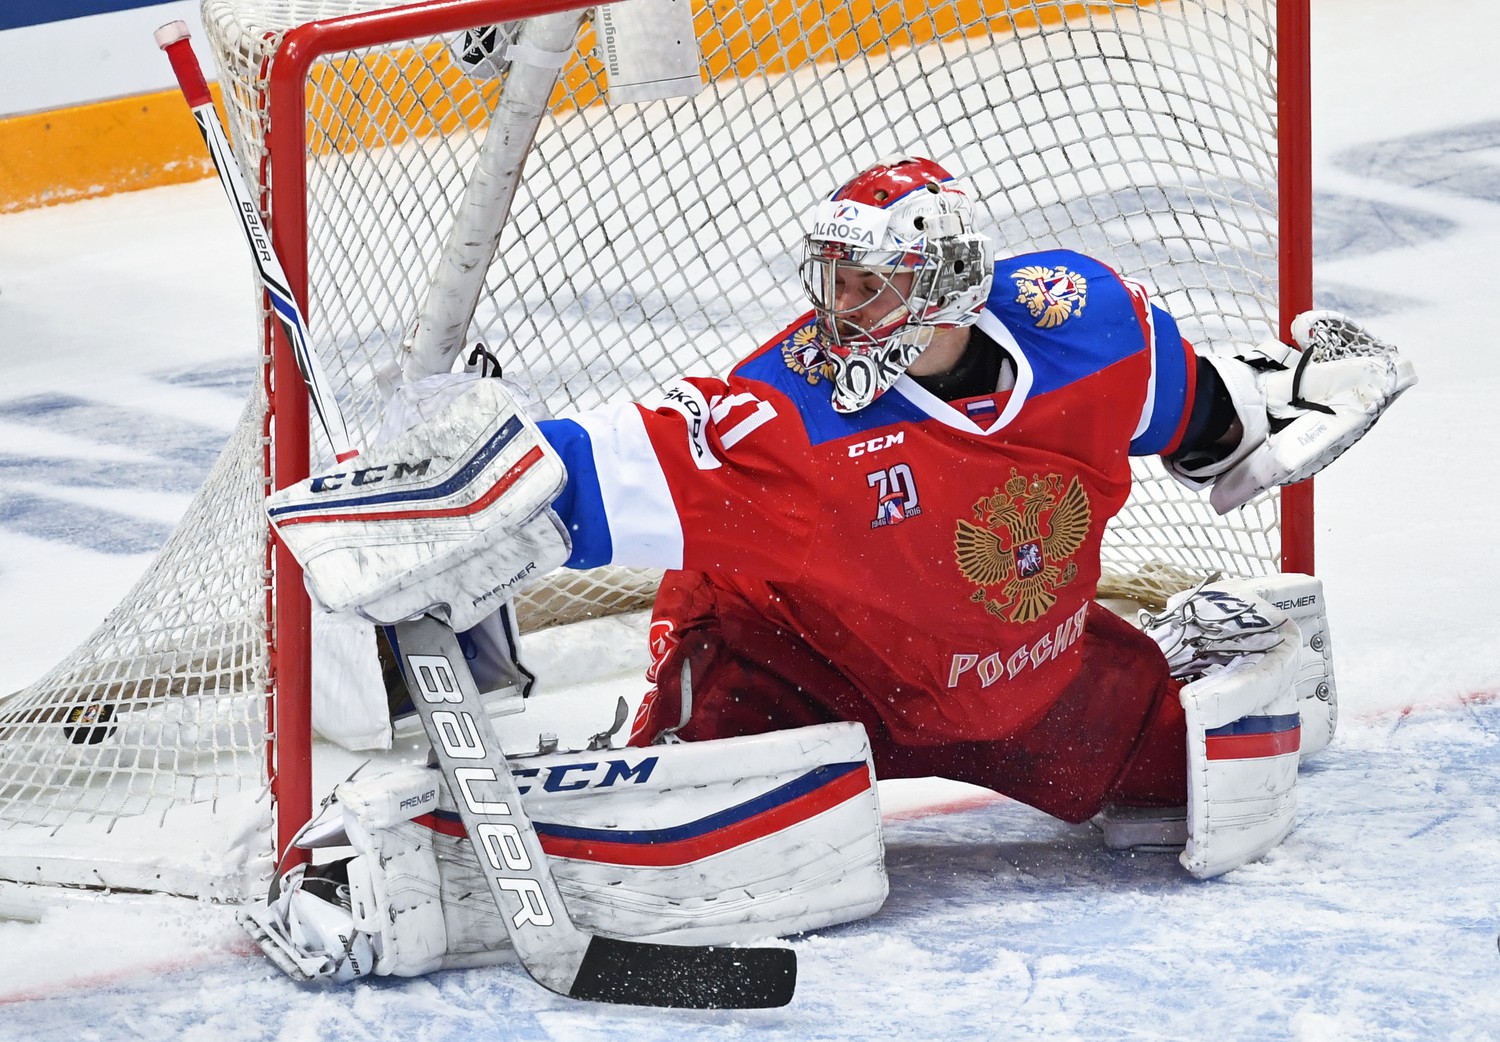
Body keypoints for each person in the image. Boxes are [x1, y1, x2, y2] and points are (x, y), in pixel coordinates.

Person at [252, 155, 1415, 981]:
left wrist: (1280, 405)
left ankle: (1207, 662)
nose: (836, 310)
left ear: (947, 286)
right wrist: (461, 496)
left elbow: (1208, 423)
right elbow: (601, 469)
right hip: (803, 674)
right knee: (699, 862)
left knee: (1216, 789)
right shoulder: (789, 418)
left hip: (1035, 687)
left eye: (869, 285)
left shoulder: (1088, 325)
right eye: (831, 279)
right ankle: (398, 869)